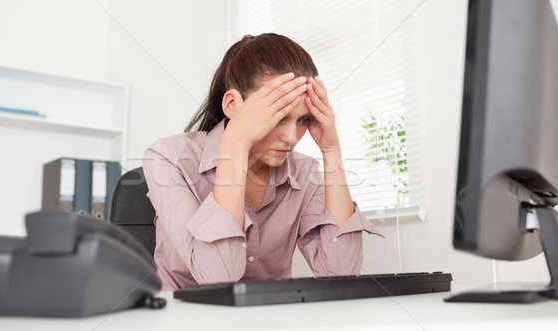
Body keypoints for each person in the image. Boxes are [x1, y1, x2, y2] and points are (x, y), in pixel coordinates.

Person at [142, 33, 383, 290]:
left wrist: (331, 149)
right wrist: (235, 143)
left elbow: (341, 275)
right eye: (277, 117)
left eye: (303, 120)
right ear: (233, 104)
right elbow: (217, 279)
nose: (292, 138)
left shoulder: (305, 175)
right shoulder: (169, 158)